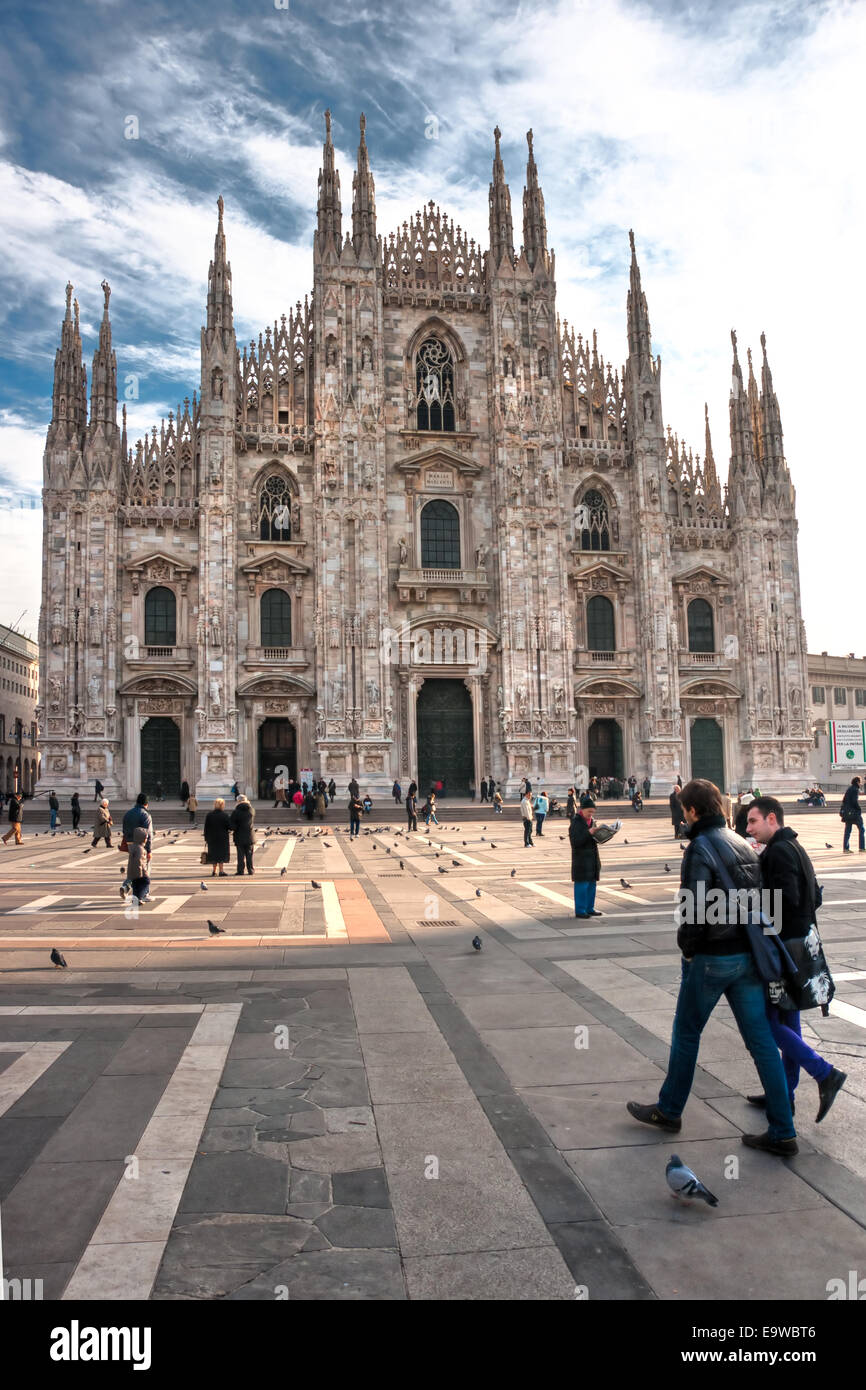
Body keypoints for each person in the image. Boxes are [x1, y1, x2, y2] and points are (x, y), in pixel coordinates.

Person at [626, 778, 797, 1156]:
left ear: (690, 810)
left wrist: (689, 950)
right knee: (761, 1042)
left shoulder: (700, 846)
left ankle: (669, 1111)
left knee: (687, 1033)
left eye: (684, 809)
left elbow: (695, 908)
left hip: (713, 959)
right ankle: (783, 1130)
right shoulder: (741, 841)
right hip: (749, 958)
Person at [746, 796, 846, 1123]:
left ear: (771, 818)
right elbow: (814, 895)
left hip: (785, 948)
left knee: (768, 1022)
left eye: (753, 821)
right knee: (789, 1020)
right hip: (801, 942)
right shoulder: (795, 847)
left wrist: (758, 910)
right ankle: (783, 1094)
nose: (748, 829)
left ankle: (824, 1073)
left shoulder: (777, 852)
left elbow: (785, 899)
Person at [570, 794, 603, 918]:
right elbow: (575, 842)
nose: (591, 814)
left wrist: (603, 835)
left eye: (592, 812)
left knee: (591, 885)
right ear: (582, 810)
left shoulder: (592, 822)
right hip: (581, 860)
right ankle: (580, 910)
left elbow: (594, 839)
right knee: (582, 886)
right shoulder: (576, 822)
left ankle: (590, 907)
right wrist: (588, 832)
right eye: (589, 811)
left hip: (592, 859)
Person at [120, 793, 153, 894]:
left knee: (134, 867)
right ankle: (144, 893)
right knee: (143, 869)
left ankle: (126, 887)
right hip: (141, 845)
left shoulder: (128, 813)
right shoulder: (145, 815)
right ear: (146, 803)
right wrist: (149, 850)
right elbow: (147, 833)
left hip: (130, 844)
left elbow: (124, 829)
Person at [121, 826, 151, 904]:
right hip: (139, 871)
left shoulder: (134, 846)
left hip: (132, 871)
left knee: (136, 886)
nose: (146, 839)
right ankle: (139, 898)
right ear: (142, 838)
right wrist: (140, 872)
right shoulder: (140, 849)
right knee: (146, 882)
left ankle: (136, 899)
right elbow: (138, 861)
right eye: (146, 838)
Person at [203, 798, 231, 877]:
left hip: (212, 838)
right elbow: (229, 826)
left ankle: (214, 871)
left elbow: (206, 827)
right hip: (222, 838)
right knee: (221, 854)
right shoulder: (224, 815)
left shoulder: (209, 815)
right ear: (222, 805)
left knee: (213, 854)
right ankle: (221, 871)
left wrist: (206, 838)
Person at [230, 794, 256, 875]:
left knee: (240, 855)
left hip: (239, 835)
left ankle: (240, 870)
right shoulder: (251, 810)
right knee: (249, 854)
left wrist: (233, 828)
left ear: (238, 801)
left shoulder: (236, 812)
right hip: (250, 835)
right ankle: (250, 870)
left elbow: (232, 825)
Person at [841, 776, 865, 853]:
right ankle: (862, 847)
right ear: (857, 782)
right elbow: (854, 801)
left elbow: (844, 800)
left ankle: (846, 848)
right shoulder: (855, 789)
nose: (861, 784)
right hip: (854, 813)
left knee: (848, 831)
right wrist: (859, 809)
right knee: (862, 829)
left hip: (848, 813)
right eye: (860, 782)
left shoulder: (849, 789)